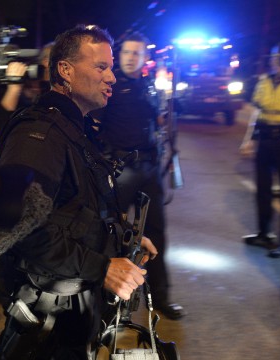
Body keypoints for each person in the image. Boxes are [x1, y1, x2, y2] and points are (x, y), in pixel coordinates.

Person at [0, 25, 157, 359]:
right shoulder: (39, 134)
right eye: (100, 67)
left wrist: (122, 236)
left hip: (75, 306)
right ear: (65, 70)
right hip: (45, 317)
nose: (111, 77)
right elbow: (22, 229)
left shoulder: (75, 128)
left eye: (110, 67)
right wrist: (102, 268)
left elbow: (77, 206)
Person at [93, 32, 184, 319]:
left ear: (145, 57)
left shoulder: (149, 85)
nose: (131, 58)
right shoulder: (109, 85)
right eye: (127, 52)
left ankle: (161, 298)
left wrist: (167, 103)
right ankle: (112, 306)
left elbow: (159, 122)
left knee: (157, 236)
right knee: (114, 236)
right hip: (120, 169)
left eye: (137, 53)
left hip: (149, 169)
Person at [240, 41, 280, 258]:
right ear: (273, 61)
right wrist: (249, 139)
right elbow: (256, 113)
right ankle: (264, 234)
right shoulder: (264, 81)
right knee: (263, 191)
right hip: (265, 140)